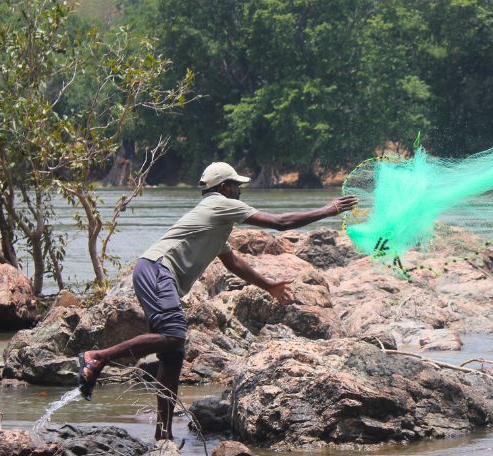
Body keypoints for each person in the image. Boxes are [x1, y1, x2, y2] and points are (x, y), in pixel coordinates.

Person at [77, 161, 358, 440]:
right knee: (173, 335)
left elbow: (232, 262)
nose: (239, 192)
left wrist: (269, 285)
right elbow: (281, 223)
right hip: (158, 270)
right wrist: (329, 210)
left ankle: (163, 435)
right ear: (224, 188)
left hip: (152, 270)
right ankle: (97, 357)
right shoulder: (221, 205)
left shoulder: (214, 217)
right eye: (236, 186)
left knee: (173, 356)